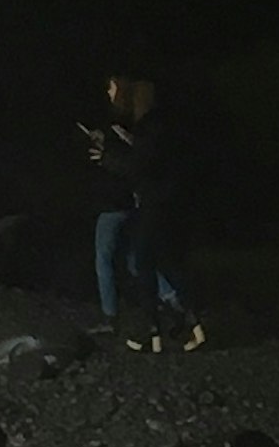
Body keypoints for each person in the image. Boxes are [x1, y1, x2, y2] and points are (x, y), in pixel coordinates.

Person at [81, 70, 202, 349]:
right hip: (143, 202)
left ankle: (148, 328)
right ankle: (180, 318)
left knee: (119, 260)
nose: (109, 93)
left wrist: (107, 154)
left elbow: (138, 164)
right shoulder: (142, 125)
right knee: (141, 261)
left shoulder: (143, 125)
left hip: (135, 202)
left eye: (112, 88)